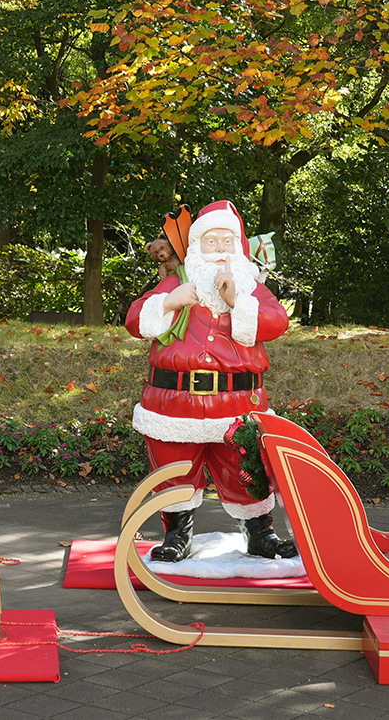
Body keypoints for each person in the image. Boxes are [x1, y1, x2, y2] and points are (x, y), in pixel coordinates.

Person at [125, 200, 297, 562]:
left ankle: (260, 533)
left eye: (226, 242)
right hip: (174, 402)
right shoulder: (176, 285)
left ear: (238, 248)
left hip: (237, 405)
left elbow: (277, 321)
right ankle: (177, 534)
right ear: (196, 249)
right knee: (174, 472)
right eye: (210, 242)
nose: (219, 250)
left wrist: (237, 302)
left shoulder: (251, 292)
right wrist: (169, 301)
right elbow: (135, 319)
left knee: (248, 470)